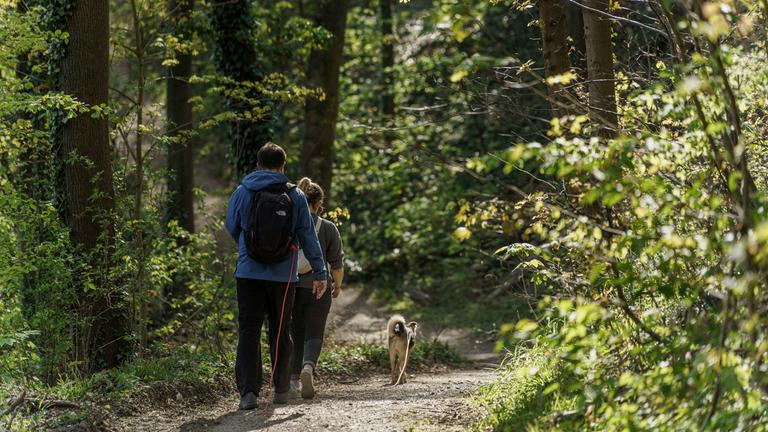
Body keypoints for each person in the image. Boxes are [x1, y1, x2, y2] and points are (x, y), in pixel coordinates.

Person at [225, 143, 328, 410]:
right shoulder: (294, 195)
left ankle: (248, 393)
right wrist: (319, 271)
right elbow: (308, 235)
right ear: (283, 166)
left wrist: (250, 248)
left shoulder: (243, 191)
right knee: (280, 330)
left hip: (248, 273)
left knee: (248, 331)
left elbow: (232, 226)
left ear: (258, 165)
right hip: (284, 277)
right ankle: (281, 390)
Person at [289, 177, 345, 399]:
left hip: (292, 286)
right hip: (319, 287)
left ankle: (292, 382)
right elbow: (337, 263)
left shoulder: (291, 224)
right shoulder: (329, 228)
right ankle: (308, 367)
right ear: (318, 202)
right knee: (314, 332)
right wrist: (338, 285)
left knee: (295, 331)